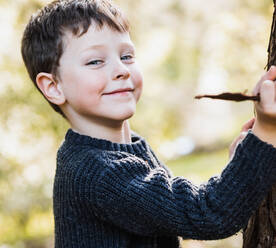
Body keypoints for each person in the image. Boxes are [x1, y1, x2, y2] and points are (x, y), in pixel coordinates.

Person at [21, 0, 276, 247]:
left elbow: (175, 206)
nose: (121, 69)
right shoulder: (98, 172)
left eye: (127, 55)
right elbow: (208, 215)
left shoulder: (124, 150)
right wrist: (265, 132)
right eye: (95, 61)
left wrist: (243, 162)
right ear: (53, 87)